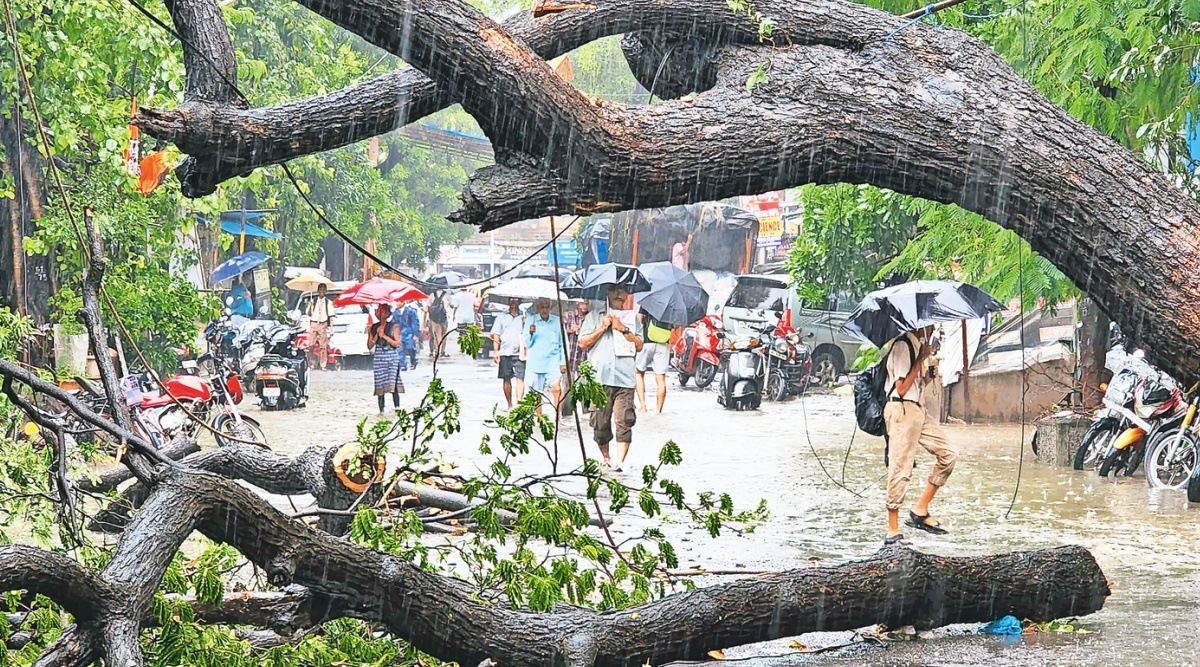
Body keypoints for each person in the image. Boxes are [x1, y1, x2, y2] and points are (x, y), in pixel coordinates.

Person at [883, 325, 957, 546]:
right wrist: (921, 358)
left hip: (918, 410)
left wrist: (929, 374)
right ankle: (892, 530)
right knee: (900, 468)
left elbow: (916, 385)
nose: (933, 327)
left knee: (949, 454)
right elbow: (902, 388)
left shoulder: (917, 345)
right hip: (902, 410)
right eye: (930, 323)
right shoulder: (902, 346)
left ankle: (920, 509)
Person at [578, 285, 643, 471]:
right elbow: (583, 342)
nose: (619, 295)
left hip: (625, 380)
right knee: (600, 424)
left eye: (622, 292)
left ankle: (620, 463)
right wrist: (602, 327)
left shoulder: (632, 319)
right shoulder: (594, 316)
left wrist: (623, 329)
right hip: (599, 379)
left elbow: (639, 345)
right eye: (615, 291)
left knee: (625, 421)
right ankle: (606, 458)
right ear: (608, 293)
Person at [523, 298, 566, 415]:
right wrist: (531, 333)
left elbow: (564, 343)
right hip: (536, 362)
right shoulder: (531, 320)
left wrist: (563, 362)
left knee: (557, 388)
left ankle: (557, 416)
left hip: (553, 360)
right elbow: (526, 343)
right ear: (538, 308)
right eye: (542, 307)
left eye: (547, 307)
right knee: (537, 393)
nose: (544, 310)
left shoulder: (557, 321)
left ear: (550, 308)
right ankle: (540, 418)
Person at [490, 297, 526, 409]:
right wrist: (496, 351)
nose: (513, 302)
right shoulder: (501, 317)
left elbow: (531, 332)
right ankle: (509, 404)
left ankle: (519, 403)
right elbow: (496, 334)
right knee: (506, 378)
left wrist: (526, 323)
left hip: (520, 352)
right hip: (505, 351)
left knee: (520, 377)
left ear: (520, 302)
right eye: (511, 300)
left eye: (516, 300)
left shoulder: (525, 316)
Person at [635, 312, 673, 413]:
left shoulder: (649, 301)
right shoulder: (673, 305)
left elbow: (639, 319)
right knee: (661, 379)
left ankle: (643, 407)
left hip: (647, 342)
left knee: (639, 373)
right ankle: (658, 410)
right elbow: (676, 325)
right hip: (663, 344)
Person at [369, 304, 404, 414]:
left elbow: (398, 344)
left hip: (392, 358)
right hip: (379, 358)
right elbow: (369, 346)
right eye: (379, 311)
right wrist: (377, 336)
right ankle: (381, 411)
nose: (381, 313)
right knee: (380, 387)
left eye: (383, 311)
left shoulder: (394, 326)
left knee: (393, 384)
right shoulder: (373, 327)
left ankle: (397, 408)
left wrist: (384, 336)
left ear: (388, 313)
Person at [306, 283, 335, 371]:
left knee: (323, 346)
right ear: (318, 290)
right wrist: (310, 306)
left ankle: (323, 364)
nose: (322, 291)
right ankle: (312, 363)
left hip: (323, 324)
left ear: (325, 291)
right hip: (314, 323)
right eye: (320, 289)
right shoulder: (313, 300)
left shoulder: (328, 302)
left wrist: (332, 328)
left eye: (323, 289)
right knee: (311, 345)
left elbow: (331, 316)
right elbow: (309, 314)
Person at [392, 300, 421, 371]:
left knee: (410, 348)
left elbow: (415, 322)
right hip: (400, 333)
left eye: (398, 301)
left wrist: (415, 334)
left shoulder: (411, 311)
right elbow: (394, 323)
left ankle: (413, 361)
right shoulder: (395, 312)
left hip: (409, 332)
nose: (397, 303)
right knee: (400, 350)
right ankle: (403, 365)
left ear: (403, 302)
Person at [426, 291, 449, 359]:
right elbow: (451, 305)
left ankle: (435, 351)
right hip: (443, 318)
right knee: (444, 334)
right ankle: (442, 351)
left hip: (433, 318)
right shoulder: (446, 294)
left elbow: (428, 307)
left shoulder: (432, 294)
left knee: (434, 335)